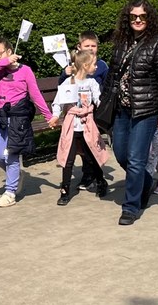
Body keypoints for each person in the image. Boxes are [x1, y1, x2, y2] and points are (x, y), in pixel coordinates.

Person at [107, 0, 158, 226]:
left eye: (142, 16)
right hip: (121, 109)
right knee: (122, 155)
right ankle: (145, 181)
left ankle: (131, 207)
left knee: (136, 159)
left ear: (149, 18)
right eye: (133, 16)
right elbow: (112, 76)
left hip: (146, 110)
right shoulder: (121, 42)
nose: (137, 20)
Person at [0, 39, 53, 208]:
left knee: (11, 155)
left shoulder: (25, 71)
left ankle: (10, 192)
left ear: (10, 51)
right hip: (1, 118)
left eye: (0, 54)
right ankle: (15, 176)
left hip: (17, 120)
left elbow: (35, 94)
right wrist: (4, 62)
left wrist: (48, 116)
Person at [48, 49, 109, 204]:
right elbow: (58, 102)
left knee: (92, 155)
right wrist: (55, 115)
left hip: (87, 125)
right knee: (68, 158)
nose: (96, 67)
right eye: (94, 64)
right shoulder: (68, 83)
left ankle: (101, 181)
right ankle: (65, 190)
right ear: (85, 66)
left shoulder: (92, 83)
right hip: (72, 126)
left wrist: (105, 111)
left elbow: (99, 100)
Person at [61, 31, 111, 191]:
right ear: (79, 47)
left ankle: (96, 176)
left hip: (93, 112)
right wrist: (64, 74)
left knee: (91, 145)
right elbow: (62, 87)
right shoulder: (73, 66)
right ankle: (88, 174)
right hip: (76, 115)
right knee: (80, 146)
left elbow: (107, 86)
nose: (90, 49)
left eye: (93, 46)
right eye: (87, 46)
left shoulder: (101, 66)